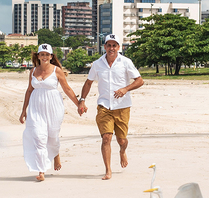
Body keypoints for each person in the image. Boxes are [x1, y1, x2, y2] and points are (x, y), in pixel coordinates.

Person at [78, 34, 144, 181]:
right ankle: (108, 170)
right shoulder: (97, 64)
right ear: (104, 47)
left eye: (114, 45)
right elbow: (88, 83)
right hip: (104, 106)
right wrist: (82, 100)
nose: (111, 48)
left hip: (122, 106)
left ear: (118, 47)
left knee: (122, 140)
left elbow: (140, 81)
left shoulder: (126, 62)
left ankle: (122, 150)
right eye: (109, 45)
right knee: (106, 138)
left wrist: (125, 89)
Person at [20, 44, 85, 181]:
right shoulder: (33, 71)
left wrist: (78, 104)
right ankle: (41, 170)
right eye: (41, 54)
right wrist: (23, 111)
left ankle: (56, 154)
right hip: (36, 108)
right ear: (38, 56)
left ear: (51, 56)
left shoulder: (57, 71)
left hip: (54, 107)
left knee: (52, 135)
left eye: (47, 54)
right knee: (39, 137)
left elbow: (67, 89)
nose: (44, 57)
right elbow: (29, 91)